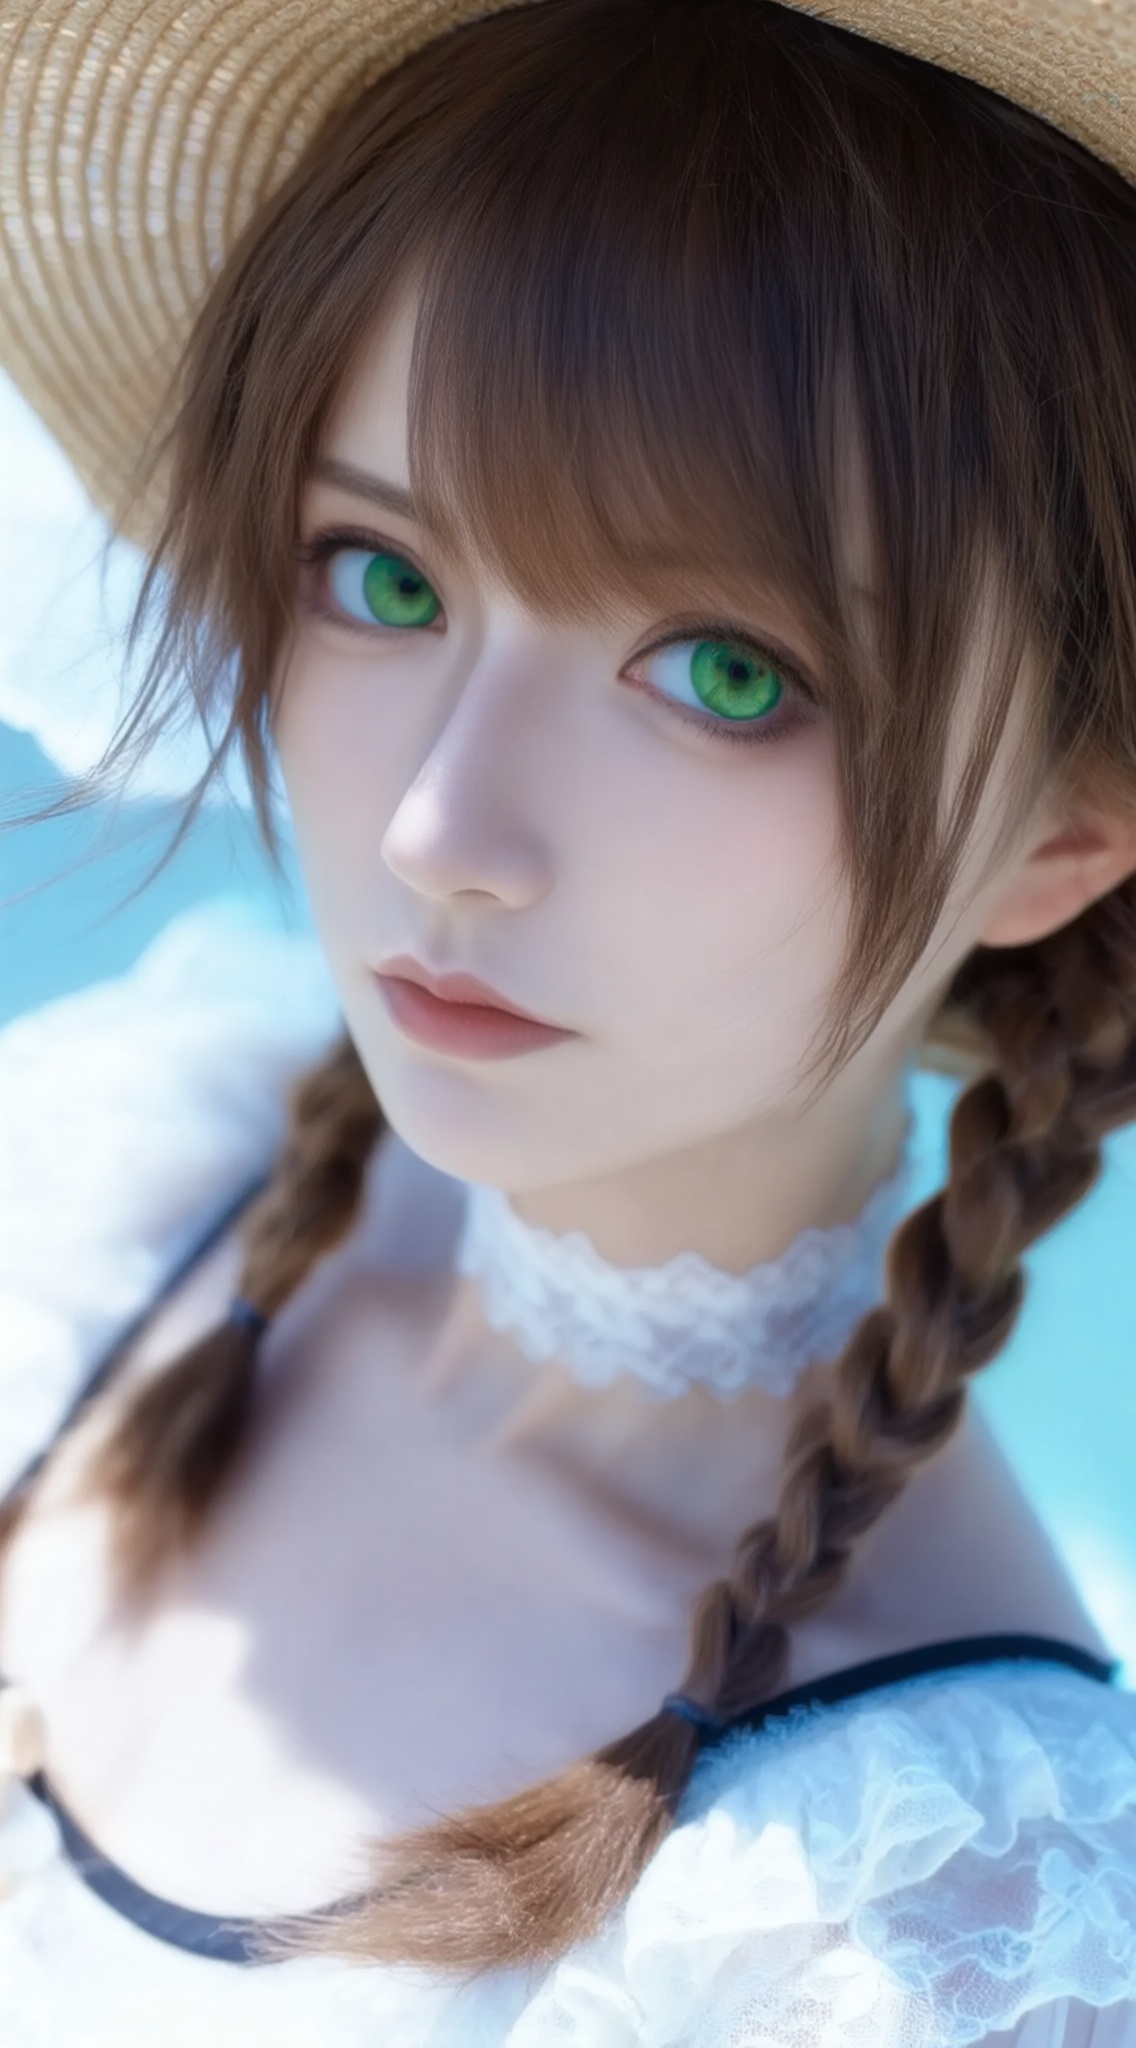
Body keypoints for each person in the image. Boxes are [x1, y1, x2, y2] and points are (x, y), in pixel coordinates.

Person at [0, 0, 1135, 2039]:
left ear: (1061, 829)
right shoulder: (130, 1160)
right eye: (385, 576)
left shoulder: (919, 1904)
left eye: (721, 674)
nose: (444, 826)